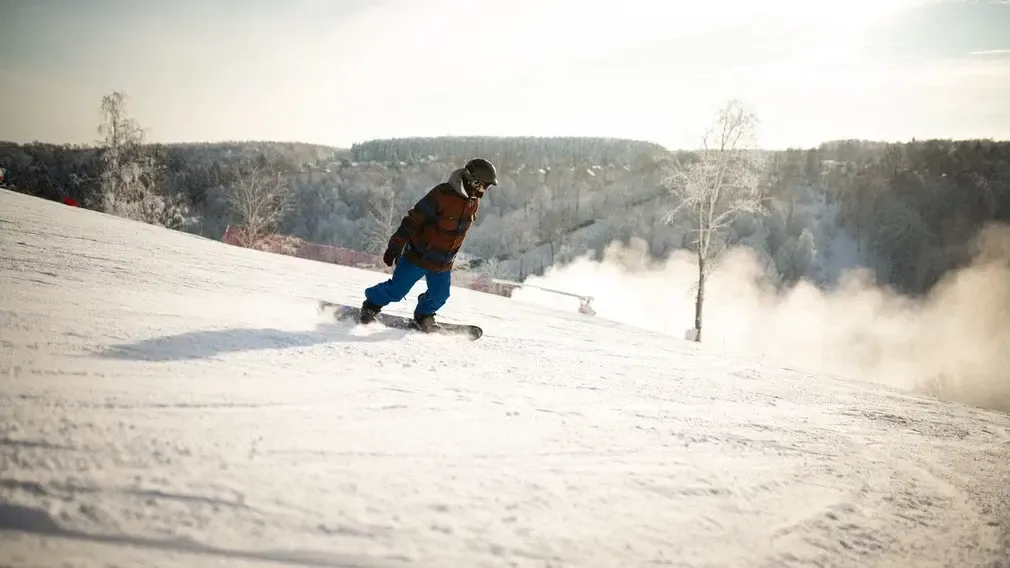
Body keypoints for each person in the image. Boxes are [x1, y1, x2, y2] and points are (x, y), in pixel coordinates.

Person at [358, 158, 497, 331]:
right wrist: (396, 244)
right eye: (485, 186)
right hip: (418, 256)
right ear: (473, 181)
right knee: (396, 291)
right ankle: (370, 305)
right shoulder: (441, 195)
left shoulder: (473, 202)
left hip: (443, 262)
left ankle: (423, 316)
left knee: (440, 296)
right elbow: (413, 219)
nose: (485, 191)